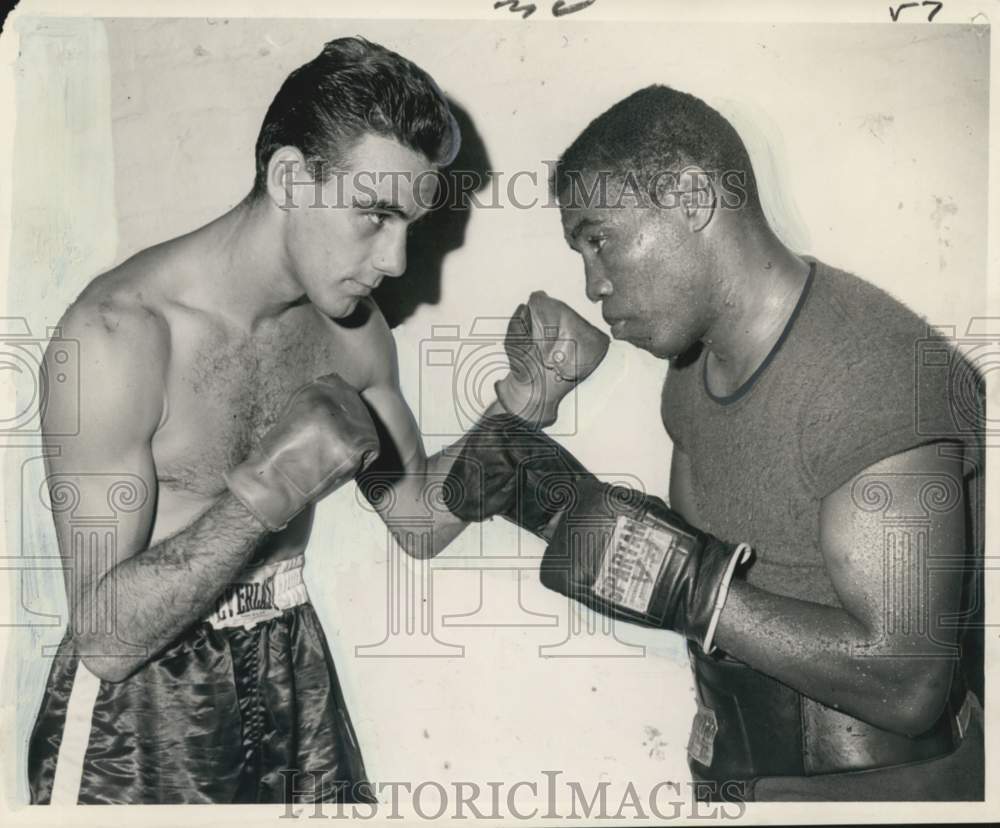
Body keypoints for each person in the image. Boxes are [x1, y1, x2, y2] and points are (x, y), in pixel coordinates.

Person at [26, 35, 611, 805]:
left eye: (411, 223)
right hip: (141, 705)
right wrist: (265, 491)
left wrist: (526, 402)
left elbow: (418, 520)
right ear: (292, 178)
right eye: (374, 216)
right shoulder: (116, 337)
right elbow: (103, 637)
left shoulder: (353, 334)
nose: (397, 260)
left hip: (288, 662)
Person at [446, 85, 984, 801]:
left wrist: (681, 583)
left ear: (693, 198)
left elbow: (907, 680)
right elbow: (723, 588)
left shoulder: (871, 371)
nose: (592, 283)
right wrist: (564, 508)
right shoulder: (690, 376)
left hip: (887, 793)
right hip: (735, 774)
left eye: (599, 237)